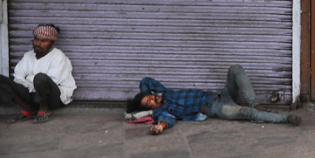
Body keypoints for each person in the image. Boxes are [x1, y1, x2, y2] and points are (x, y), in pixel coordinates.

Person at [126, 64, 300, 135]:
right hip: (214, 108)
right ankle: (285, 118)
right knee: (247, 113)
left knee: (235, 68)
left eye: (150, 96)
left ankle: (256, 103)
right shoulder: (163, 111)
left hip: (218, 95)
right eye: (149, 101)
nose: (153, 99)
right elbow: (167, 121)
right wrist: (159, 125)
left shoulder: (165, 93)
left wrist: (142, 98)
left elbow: (145, 81)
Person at [0, 24, 76, 123]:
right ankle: (28, 108)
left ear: (52, 43)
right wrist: (31, 83)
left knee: (40, 78)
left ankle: (44, 109)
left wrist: (29, 78)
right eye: (36, 39)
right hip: (32, 96)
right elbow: (18, 76)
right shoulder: (28, 56)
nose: (38, 44)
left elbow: (53, 80)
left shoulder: (58, 57)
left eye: (44, 41)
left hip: (53, 99)